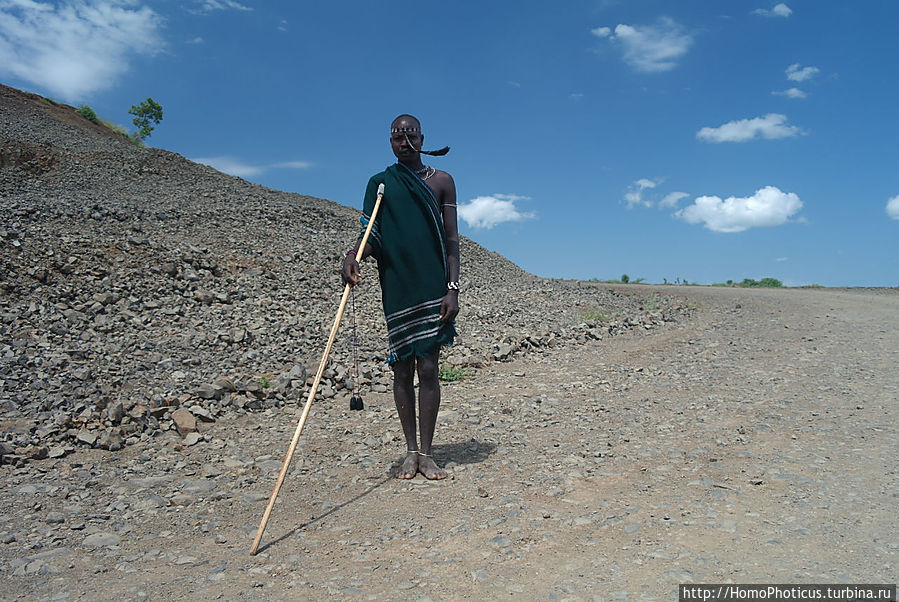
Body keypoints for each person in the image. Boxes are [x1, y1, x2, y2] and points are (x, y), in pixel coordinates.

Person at [342, 114, 460, 480]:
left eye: (411, 136)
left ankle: (427, 453)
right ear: (390, 142)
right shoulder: (380, 184)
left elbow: (453, 242)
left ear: (423, 139)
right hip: (396, 286)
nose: (404, 142)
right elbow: (371, 236)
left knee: (428, 368)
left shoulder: (442, 181)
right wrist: (353, 256)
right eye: (397, 137)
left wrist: (452, 289)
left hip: (432, 286)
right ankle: (410, 451)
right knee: (401, 369)